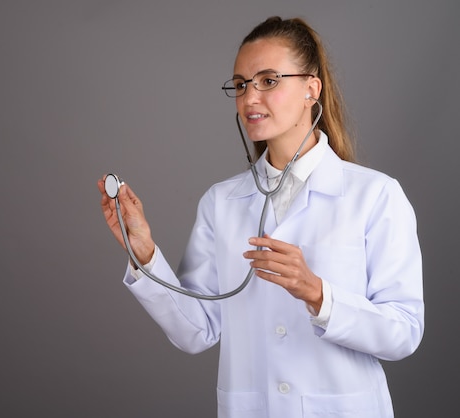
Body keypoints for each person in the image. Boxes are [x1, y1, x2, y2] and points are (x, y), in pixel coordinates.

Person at [97, 16, 423, 418]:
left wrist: (318, 293)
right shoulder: (222, 202)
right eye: (240, 85)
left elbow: (404, 332)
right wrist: (145, 253)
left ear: (311, 89)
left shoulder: (375, 195)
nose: (250, 98)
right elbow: (196, 330)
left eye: (268, 81)